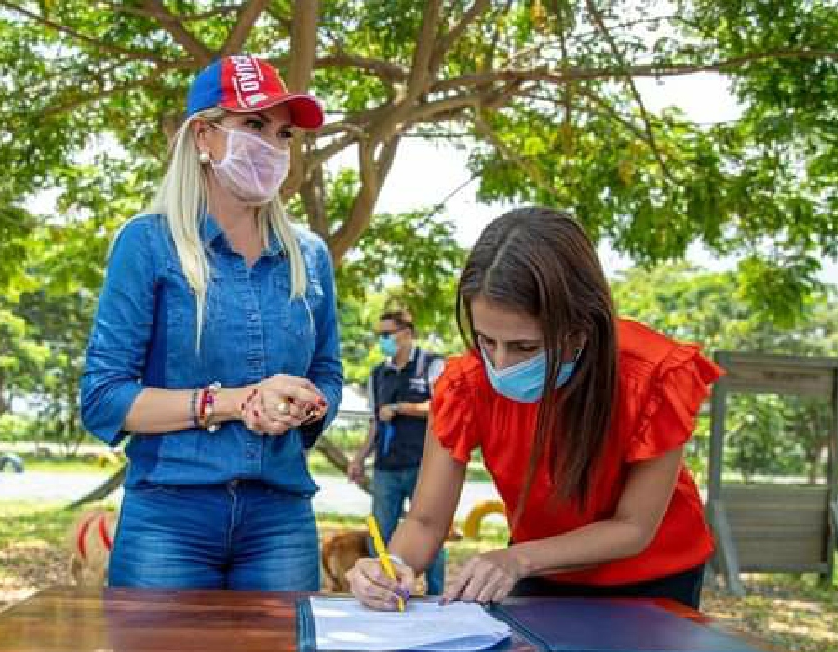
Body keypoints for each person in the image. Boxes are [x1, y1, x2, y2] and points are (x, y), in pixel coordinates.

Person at [348, 207, 720, 611]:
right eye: (486, 341)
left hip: (654, 580)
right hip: (538, 572)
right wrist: (393, 567)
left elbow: (634, 527)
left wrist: (516, 558)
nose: (501, 365)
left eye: (525, 347)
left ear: (581, 327)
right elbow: (425, 521)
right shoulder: (463, 384)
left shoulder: (654, 375)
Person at [79, 54, 343, 591]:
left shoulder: (310, 256)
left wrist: (303, 404)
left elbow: (329, 373)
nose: (272, 146)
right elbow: (103, 398)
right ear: (203, 135)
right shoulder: (147, 244)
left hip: (281, 520)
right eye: (253, 126)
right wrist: (238, 402)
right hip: (169, 517)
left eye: (284, 133)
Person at [348, 309, 446, 595]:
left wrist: (403, 408)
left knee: (430, 532)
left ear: (407, 332)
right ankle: (382, 589)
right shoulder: (378, 374)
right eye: (379, 335)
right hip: (386, 467)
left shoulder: (432, 365)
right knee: (379, 534)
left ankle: (437, 594)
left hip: (422, 466)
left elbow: (443, 409)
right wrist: (358, 459)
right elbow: (374, 423)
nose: (383, 340)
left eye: (387, 334)